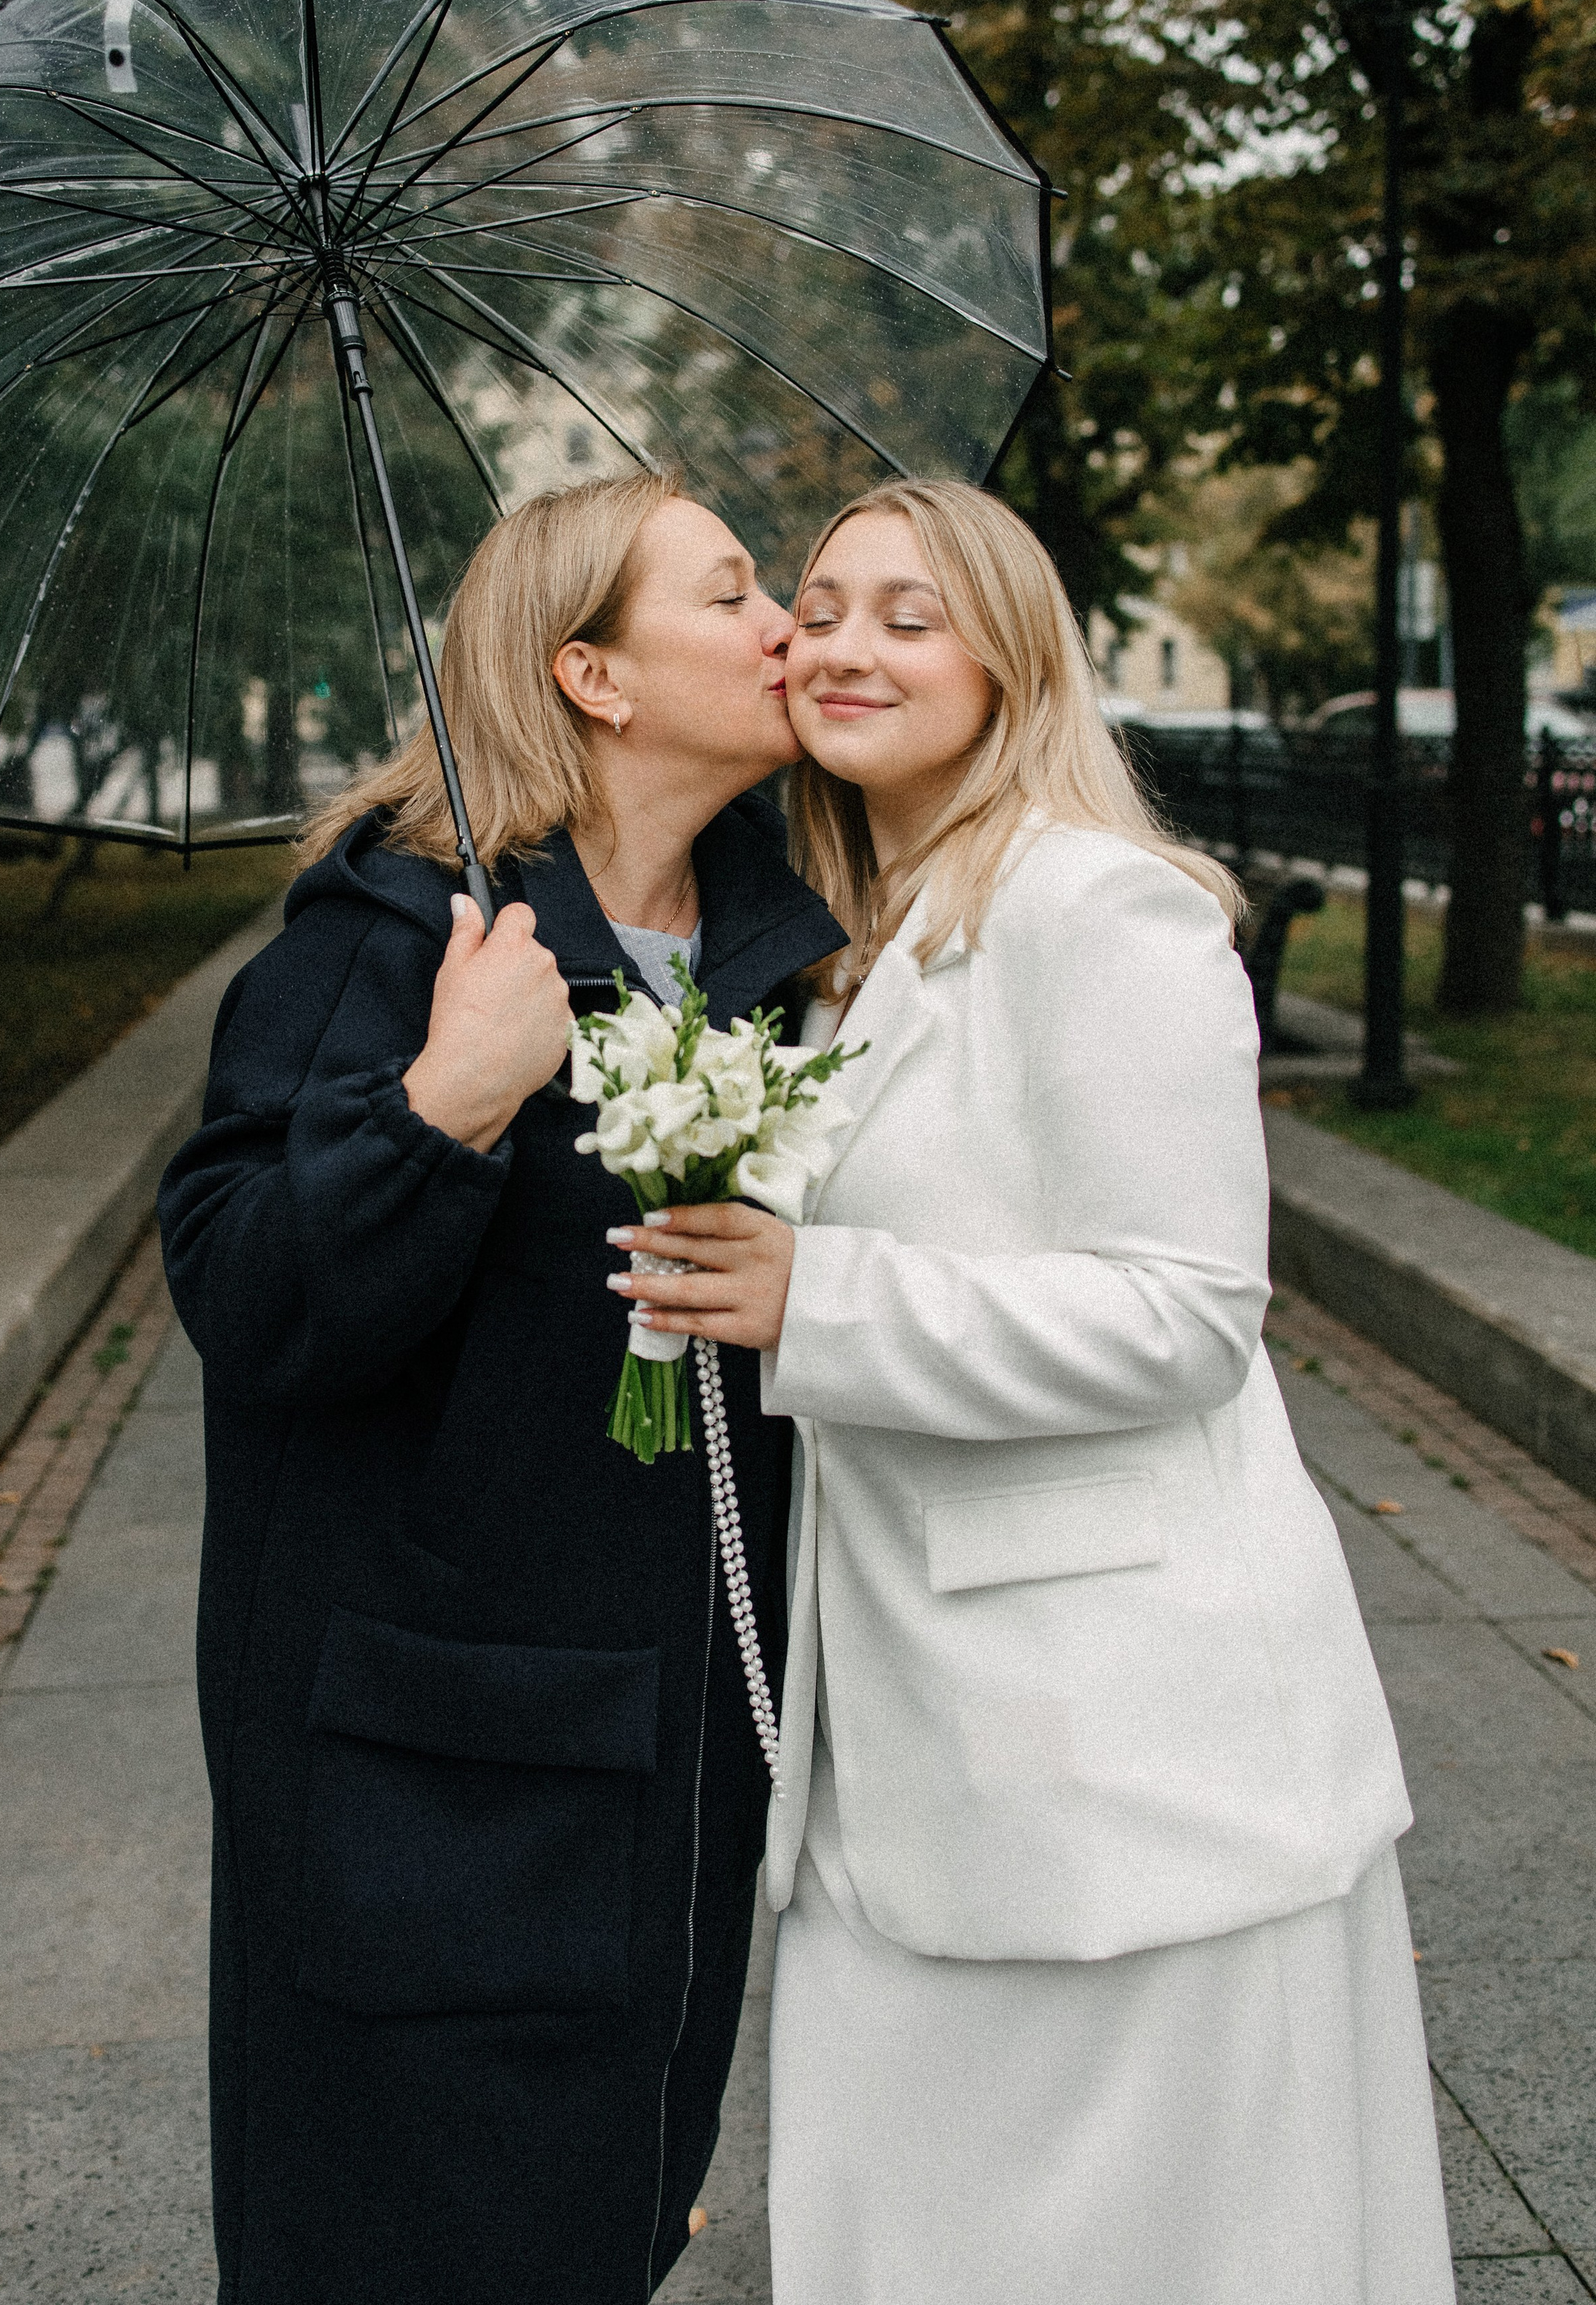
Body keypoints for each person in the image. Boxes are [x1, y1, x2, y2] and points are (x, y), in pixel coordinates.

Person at [617, 477, 1454, 2304]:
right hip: (913, 1737)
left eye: (907, 617)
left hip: (1124, 1758)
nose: (841, 643)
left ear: (1010, 662)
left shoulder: (1102, 912)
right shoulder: (851, 946)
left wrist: (813, 1295)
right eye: (818, 605)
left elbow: (1183, 1313)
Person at [157, 469, 844, 2305]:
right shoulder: (383, 947)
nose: (783, 623)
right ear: (591, 676)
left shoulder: (785, 959)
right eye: (727, 595)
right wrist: (443, 1106)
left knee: (607, 2223)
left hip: (673, 1763)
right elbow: (245, 1294)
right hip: (428, 1782)